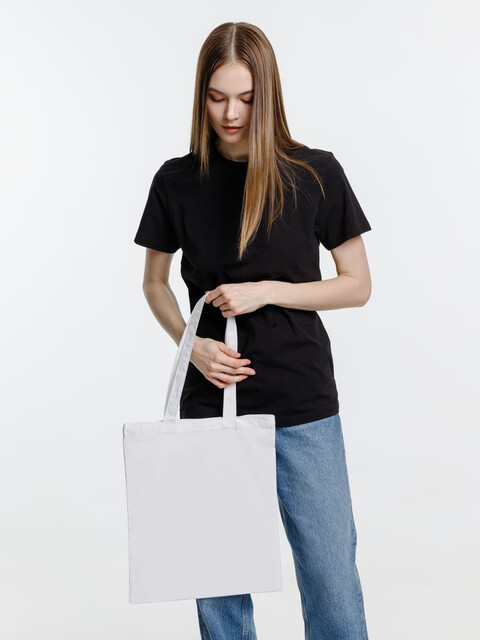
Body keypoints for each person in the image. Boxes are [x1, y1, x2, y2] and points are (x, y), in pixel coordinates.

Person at [133, 21, 372, 640]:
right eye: (217, 97)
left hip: (302, 400)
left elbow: (356, 284)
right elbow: (155, 283)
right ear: (201, 95)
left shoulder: (315, 172)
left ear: (269, 94)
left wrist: (268, 290)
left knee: (330, 577)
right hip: (212, 403)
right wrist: (192, 347)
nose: (231, 113)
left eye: (245, 97)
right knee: (219, 585)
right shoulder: (176, 180)